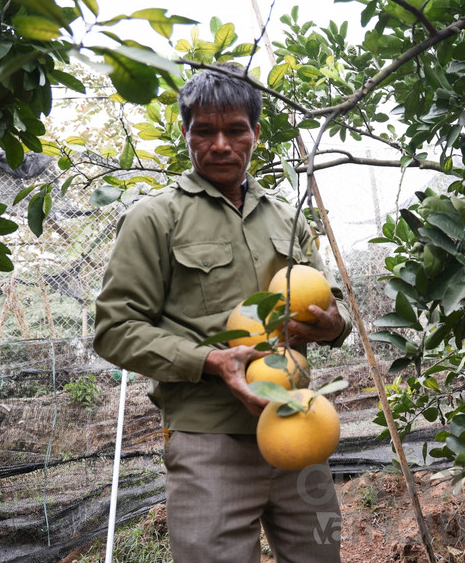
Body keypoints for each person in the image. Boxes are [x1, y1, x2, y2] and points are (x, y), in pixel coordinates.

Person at [93, 65, 351, 563]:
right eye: (204, 131)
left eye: (235, 129)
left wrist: (331, 325)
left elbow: (330, 310)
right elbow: (114, 329)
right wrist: (213, 362)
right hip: (208, 443)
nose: (220, 144)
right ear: (186, 134)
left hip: (297, 424)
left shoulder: (286, 215)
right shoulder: (154, 219)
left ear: (255, 132)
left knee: (321, 555)